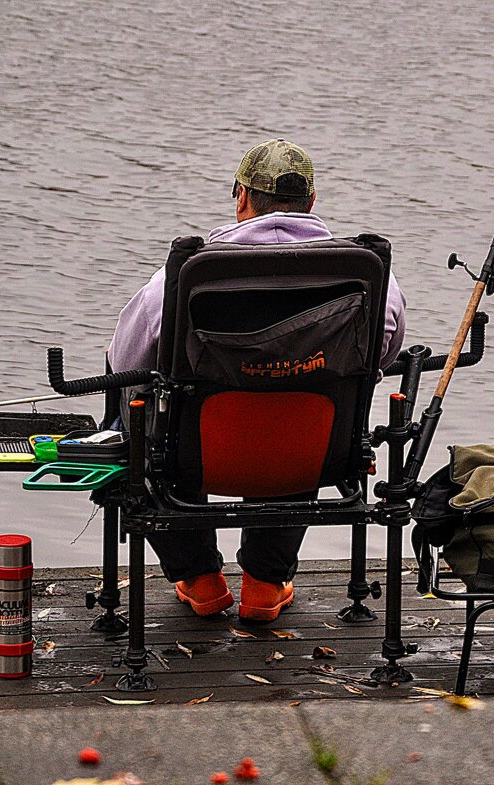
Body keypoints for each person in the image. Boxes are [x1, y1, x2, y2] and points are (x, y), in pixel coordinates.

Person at [109, 139, 407, 622]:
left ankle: (198, 578)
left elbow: (128, 361)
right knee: (304, 402)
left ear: (241, 197)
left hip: (198, 455)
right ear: (311, 202)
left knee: (132, 406)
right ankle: (265, 584)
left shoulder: (193, 271)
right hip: (314, 452)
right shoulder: (366, 272)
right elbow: (378, 358)